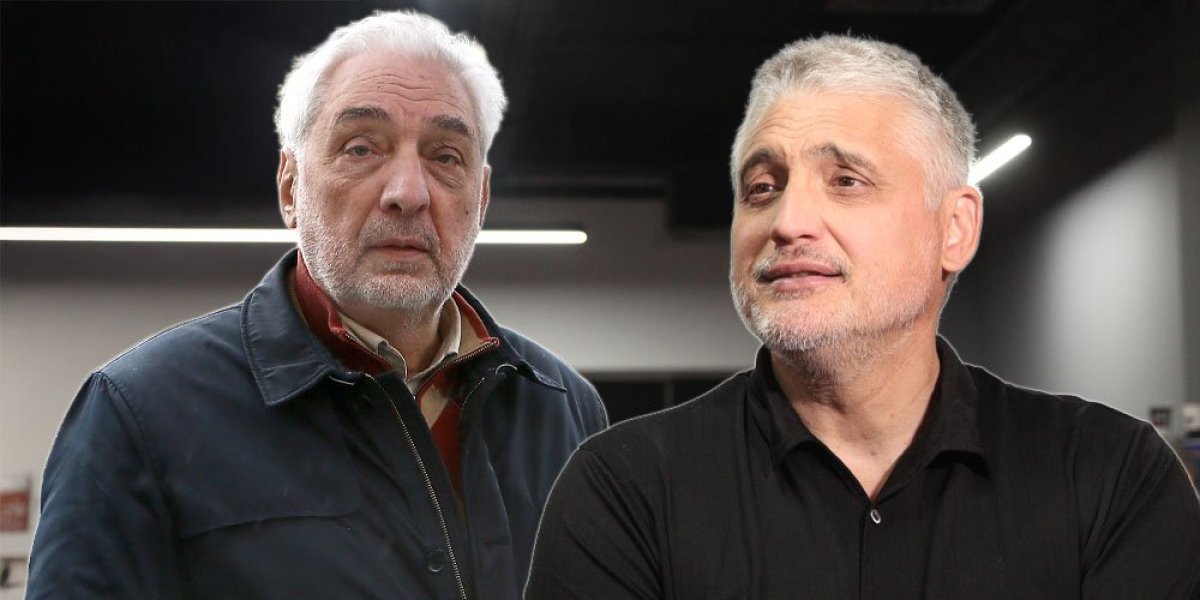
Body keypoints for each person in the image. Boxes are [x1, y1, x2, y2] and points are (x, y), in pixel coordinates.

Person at [526, 34, 1200, 599]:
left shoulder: (1110, 477)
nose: (787, 220)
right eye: (761, 188)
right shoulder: (625, 491)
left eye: (846, 181)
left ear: (955, 229)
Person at [27, 10, 606, 599]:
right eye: (361, 148)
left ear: (480, 199)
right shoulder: (140, 412)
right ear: (290, 187)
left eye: (446, 156)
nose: (408, 192)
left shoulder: (565, 410)